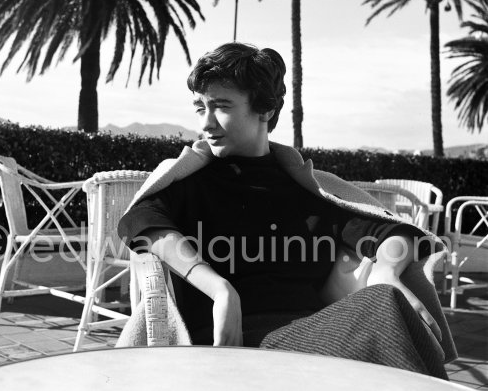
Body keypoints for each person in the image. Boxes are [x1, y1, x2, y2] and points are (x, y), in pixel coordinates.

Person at [118, 42, 455, 379]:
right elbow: (142, 221)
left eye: (221, 106)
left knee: (387, 299)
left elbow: (393, 232)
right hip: (236, 344)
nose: (206, 123)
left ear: (264, 109)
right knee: (384, 308)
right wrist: (219, 289)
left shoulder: (306, 190)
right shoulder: (192, 182)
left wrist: (387, 272)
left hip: (315, 334)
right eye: (200, 108)